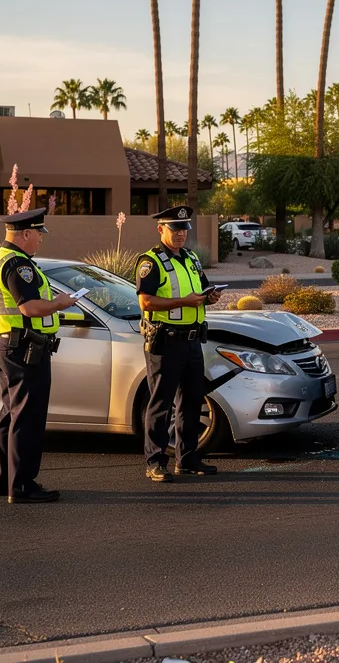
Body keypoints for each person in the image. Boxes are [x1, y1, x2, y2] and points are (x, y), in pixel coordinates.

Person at [0, 208, 79, 504]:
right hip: (24, 348)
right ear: (25, 233)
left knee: (11, 415)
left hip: (10, 345)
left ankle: (4, 482)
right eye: (39, 233)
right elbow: (29, 307)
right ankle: (23, 485)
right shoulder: (18, 265)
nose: (40, 239)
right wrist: (59, 303)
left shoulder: (2, 259)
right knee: (27, 417)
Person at [137, 205, 224, 483]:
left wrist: (209, 297)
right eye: (175, 229)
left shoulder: (190, 258)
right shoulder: (150, 261)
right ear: (161, 229)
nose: (181, 235)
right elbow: (146, 301)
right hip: (166, 341)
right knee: (161, 404)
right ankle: (155, 462)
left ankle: (187, 459)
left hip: (192, 340)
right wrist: (182, 302)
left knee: (191, 401)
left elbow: (201, 290)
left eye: (184, 229)